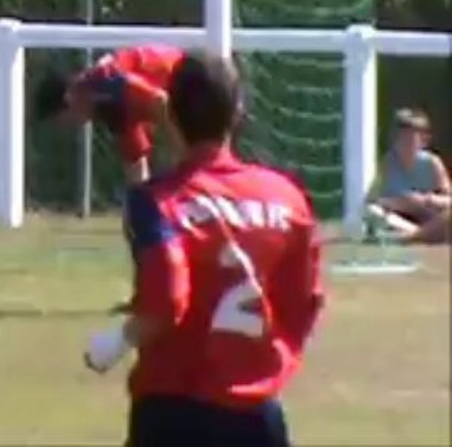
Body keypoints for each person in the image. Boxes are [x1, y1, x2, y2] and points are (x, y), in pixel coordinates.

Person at [82, 52, 325, 447]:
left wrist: (114, 343)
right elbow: (305, 302)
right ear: (238, 112)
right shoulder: (287, 198)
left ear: (170, 114)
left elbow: (168, 296)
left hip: (173, 411)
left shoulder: (158, 201)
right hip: (257, 416)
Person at [34, 45, 188, 186]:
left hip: (189, 75)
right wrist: (140, 202)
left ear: (69, 99)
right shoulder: (105, 107)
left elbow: (160, 101)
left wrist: (184, 157)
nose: (65, 127)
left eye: (61, 120)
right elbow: (136, 163)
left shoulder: (109, 82)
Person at [365, 108, 451, 245]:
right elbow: (372, 200)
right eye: (401, 136)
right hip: (401, 220)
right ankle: (419, 235)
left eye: (411, 137)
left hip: (429, 218)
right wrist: (400, 202)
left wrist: (428, 200)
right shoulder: (388, 163)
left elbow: (448, 199)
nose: (405, 142)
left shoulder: (432, 163)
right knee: (373, 212)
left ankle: (409, 237)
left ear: (424, 141)